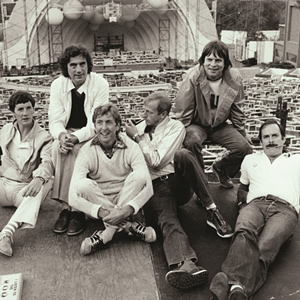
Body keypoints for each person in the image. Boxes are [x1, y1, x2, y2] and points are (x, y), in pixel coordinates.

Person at [125, 92, 233, 291]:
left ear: (163, 114)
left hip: (178, 183)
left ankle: (212, 209)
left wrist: (139, 139)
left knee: (183, 155)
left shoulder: (175, 127)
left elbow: (157, 161)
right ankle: (186, 265)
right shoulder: (137, 128)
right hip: (156, 187)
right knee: (168, 220)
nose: (144, 115)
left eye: (149, 112)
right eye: (144, 111)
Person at [210, 119, 299, 300]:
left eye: (275, 136)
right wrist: (243, 205)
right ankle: (238, 291)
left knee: (266, 245)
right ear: (261, 141)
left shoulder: (297, 160)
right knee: (244, 231)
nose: (271, 140)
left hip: (285, 210)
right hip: (255, 204)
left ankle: (230, 283)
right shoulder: (250, 159)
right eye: (266, 137)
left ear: (284, 139)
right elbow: (242, 188)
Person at [68, 103, 155, 256]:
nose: (104, 128)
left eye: (109, 122)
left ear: (118, 126)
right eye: (99, 122)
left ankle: (107, 234)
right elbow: (72, 196)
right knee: (82, 185)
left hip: (126, 197)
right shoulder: (86, 151)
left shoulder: (132, 147)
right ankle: (128, 226)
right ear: (94, 127)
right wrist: (103, 212)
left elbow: (148, 186)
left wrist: (126, 210)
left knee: (140, 177)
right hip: (99, 200)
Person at [48, 45, 109, 236]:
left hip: (92, 134)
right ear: (66, 68)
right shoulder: (58, 85)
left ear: (88, 65)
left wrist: (75, 138)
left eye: (82, 64)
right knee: (58, 148)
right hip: (67, 132)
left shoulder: (100, 84)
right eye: (73, 65)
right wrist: (62, 136)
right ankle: (67, 207)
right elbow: (55, 119)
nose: (78, 69)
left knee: (76, 151)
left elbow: (95, 122)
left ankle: (76, 210)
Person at [175, 40, 253, 189]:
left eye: (218, 60)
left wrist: (242, 131)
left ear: (225, 63)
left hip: (220, 125)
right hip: (196, 125)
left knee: (245, 148)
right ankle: (200, 182)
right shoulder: (193, 76)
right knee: (191, 142)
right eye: (209, 59)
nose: (213, 64)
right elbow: (183, 107)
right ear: (203, 61)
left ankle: (222, 168)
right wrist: (179, 133)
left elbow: (237, 108)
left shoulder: (234, 78)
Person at [0, 91, 53, 257]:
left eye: (28, 108)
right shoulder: (6, 130)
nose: (25, 113)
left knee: (48, 180)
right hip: (3, 184)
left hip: (25, 190)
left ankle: (6, 234)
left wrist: (39, 178)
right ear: (13, 112)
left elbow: (47, 162)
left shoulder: (44, 136)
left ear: (33, 110)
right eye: (20, 109)